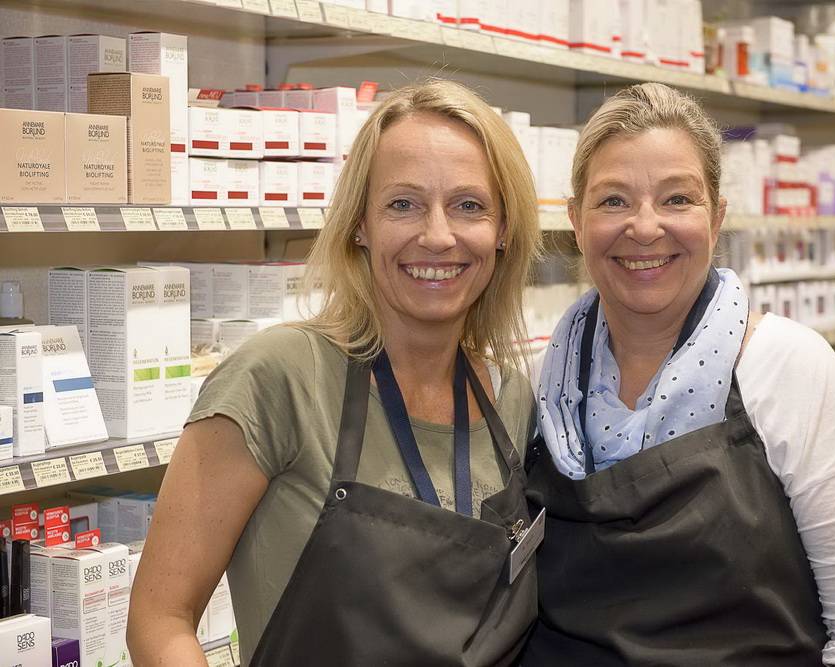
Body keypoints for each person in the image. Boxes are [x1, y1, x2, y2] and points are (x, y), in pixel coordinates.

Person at [127, 79, 542, 666]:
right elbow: (159, 620)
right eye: (403, 204)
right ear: (359, 224)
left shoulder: (510, 397)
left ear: (503, 231)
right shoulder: (279, 378)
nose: (437, 235)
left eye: (468, 205)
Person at [524, 82, 835, 666]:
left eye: (677, 199)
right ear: (576, 221)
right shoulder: (539, 385)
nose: (645, 227)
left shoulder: (788, 368)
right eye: (613, 201)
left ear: (716, 219)